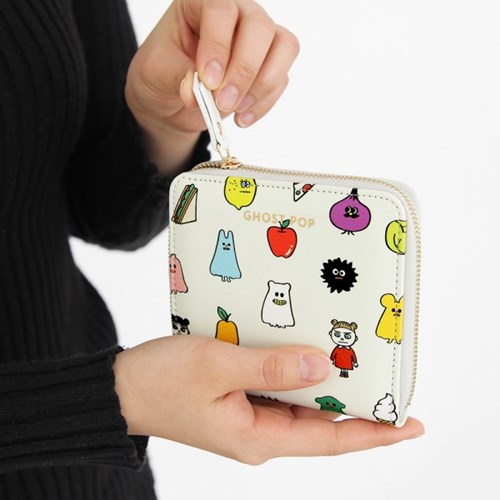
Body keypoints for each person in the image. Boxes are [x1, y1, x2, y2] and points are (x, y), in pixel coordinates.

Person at [0, 0, 424, 498]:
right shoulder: (115, 402)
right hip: (96, 428)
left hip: (93, 476)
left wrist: (165, 124)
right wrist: (116, 398)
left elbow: (101, 212)